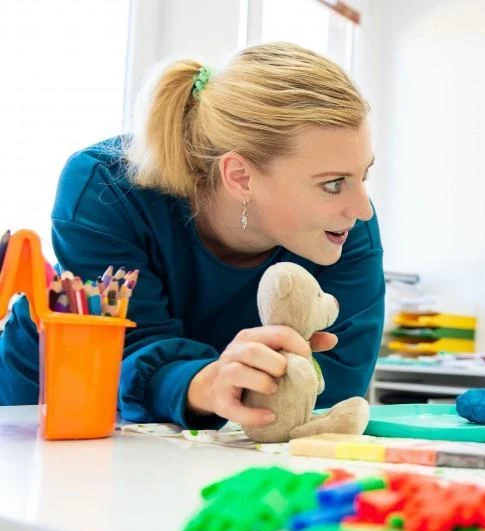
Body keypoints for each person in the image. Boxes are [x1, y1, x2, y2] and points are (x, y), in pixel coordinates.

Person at [0, 42, 385, 431]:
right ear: (240, 177)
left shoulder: (345, 228)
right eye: (334, 184)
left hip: (211, 430)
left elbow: (335, 387)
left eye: (363, 175)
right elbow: (129, 350)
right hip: (52, 404)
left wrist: (253, 390)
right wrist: (212, 383)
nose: (363, 209)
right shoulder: (105, 190)